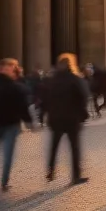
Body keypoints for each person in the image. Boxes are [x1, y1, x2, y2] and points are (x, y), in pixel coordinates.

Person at [0, 58, 32, 193]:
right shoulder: (14, 86)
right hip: (9, 124)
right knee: (7, 154)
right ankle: (4, 182)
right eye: (11, 67)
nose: (12, 70)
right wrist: (28, 121)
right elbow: (22, 105)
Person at [43, 53, 90, 185]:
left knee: (54, 145)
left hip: (56, 117)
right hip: (71, 118)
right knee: (74, 148)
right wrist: (83, 114)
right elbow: (83, 98)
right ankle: (76, 176)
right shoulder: (75, 79)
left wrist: (48, 114)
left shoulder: (52, 80)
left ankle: (50, 171)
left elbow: (46, 99)